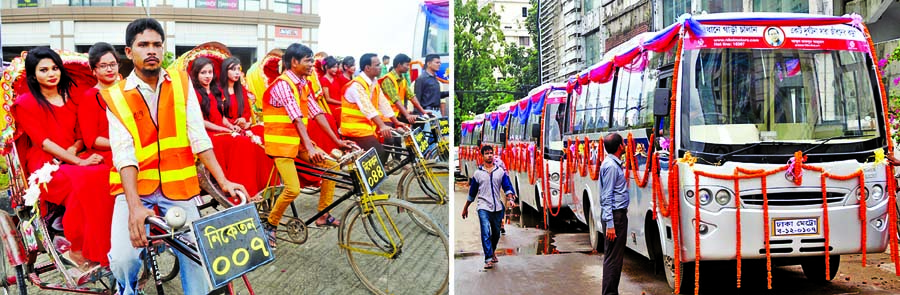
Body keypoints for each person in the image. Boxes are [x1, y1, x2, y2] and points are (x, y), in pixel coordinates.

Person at [102, 18, 246, 295]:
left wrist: (223, 181)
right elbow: (124, 154)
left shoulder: (181, 83)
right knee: (123, 259)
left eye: (157, 44)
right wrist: (134, 208)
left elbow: (198, 136)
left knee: (196, 254)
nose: (151, 50)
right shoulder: (115, 95)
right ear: (129, 52)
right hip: (134, 190)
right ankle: (128, 288)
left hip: (178, 188)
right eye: (143, 44)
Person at [12, 46, 111, 271]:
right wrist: (76, 161)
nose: (51, 73)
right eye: (44, 70)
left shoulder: (72, 94)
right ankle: (76, 247)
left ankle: (105, 241)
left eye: (55, 68)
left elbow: (80, 134)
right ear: (33, 75)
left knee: (107, 172)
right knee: (82, 180)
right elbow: (43, 142)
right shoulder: (26, 103)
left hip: (75, 153)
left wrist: (75, 152)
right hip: (45, 163)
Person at [262, 43, 355, 250]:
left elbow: (317, 113)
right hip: (281, 146)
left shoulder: (303, 84)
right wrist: (310, 147)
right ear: (294, 62)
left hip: (298, 143)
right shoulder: (283, 84)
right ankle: (270, 224)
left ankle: (323, 214)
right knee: (293, 189)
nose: (313, 64)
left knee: (333, 165)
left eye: (312, 60)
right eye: (308, 60)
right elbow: (296, 117)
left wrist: (337, 140)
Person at [191, 56, 274, 198]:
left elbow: (221, 117)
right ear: (196, 74)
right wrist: (225, 130)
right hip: (208, 134)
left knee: (256, 137)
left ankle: (264, 184)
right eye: (203, 73)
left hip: (222, 131)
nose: (207, 76)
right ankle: (245, 190)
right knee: (242, 143)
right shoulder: (195, 94)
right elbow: (200, 121)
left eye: (210, 72)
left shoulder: (214, 91)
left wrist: (230, 127)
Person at [340, 53, 407, 163]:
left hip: (367, 127)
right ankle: (364, 177)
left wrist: (395, 121)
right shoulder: (356, 85)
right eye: (377, 65)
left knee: (389, 140)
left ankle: (378, 169)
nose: (380, 67)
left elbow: (383, 103)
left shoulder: (374, 83)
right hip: (355, 129)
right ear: (367, 68)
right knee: (378, 152)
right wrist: (382, 125)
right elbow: (367, 107)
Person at [461, 145, 516, 269]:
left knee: (496, 233)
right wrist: (466, 207)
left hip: (497, 207)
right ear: (482, 156)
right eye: (486, 153)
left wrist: (511, 199)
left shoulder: (500, 172)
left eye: (491, 153)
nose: (489, 155)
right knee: (485, 231)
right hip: (483, 207)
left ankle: (492, 251)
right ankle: (488, 259)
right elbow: (472, 193)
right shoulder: (478, 174)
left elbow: (507, 187)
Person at [599, 133, 628, 295]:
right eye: (623, 143)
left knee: (614, 259)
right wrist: (610, 224)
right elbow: (606, 196)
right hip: (615, 218)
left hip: (616, 217)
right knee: (613, 260)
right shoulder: (611, 166)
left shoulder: (612, 164)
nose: (625, 146)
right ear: (619, 147)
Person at [379, 53, 429, 124]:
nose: (409, 67)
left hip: (398, 115)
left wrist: (423, 112)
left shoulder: (403, 80)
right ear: (399, 65)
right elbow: (396, 100)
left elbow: (411, 96)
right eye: (407, 65)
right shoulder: (387, 79)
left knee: (418, 123)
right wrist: (407, 115)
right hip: (386, 117)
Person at [220, 56, 255, 132]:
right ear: (225, 71)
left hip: (243, 126)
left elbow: (247, 110)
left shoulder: (242, 89)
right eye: (233, 69)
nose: (237, 72)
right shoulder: (218, 91)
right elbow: (218, 116)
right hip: (226, 128)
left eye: (238, 69)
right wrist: (234, 124)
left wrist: (244, 118)